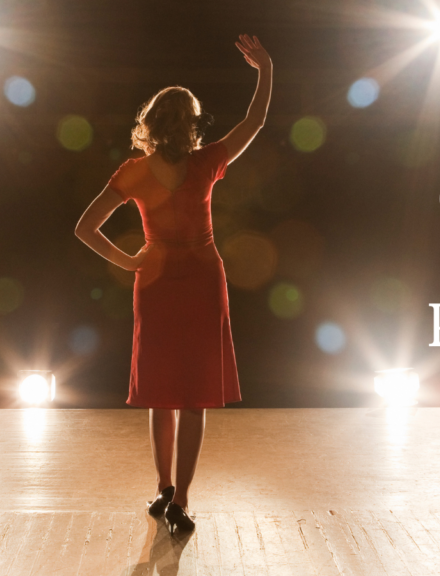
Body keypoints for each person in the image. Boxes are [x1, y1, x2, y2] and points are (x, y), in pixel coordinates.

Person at [74, 34, 272, 536]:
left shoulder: (136, 171)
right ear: (189, 124)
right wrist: (265, 69)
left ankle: (165, 490)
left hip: (157, 279)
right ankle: (180, 497)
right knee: (193, 396)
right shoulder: (205, 163)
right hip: (203, 278)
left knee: (162, 392)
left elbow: (84, 227)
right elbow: (256, 122)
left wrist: (130, 260)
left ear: (151, 123)